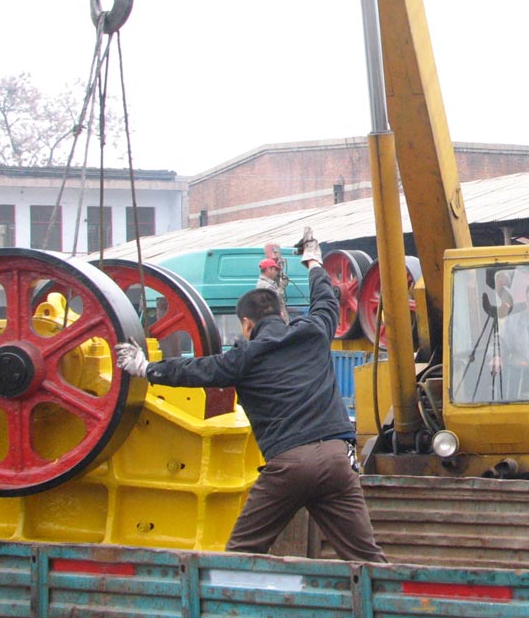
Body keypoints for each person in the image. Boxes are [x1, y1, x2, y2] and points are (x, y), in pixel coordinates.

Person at [114, 228, 387, 562]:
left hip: (289, 465)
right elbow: (326, 300)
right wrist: (314, 262)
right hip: (337, 459)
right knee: (366, 559)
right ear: (282, 315)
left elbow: (196, 370)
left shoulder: (243, 357)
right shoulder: (314, 332)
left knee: (240, 556)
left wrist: (145, 368)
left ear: (246, 324)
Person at [256, 252, 289, 322]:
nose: (276, 272)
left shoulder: (264, 283)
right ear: (268, 269)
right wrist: (282, 286)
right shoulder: (266, 285)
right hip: (276, 320)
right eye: (274, 269)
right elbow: (276, 298)